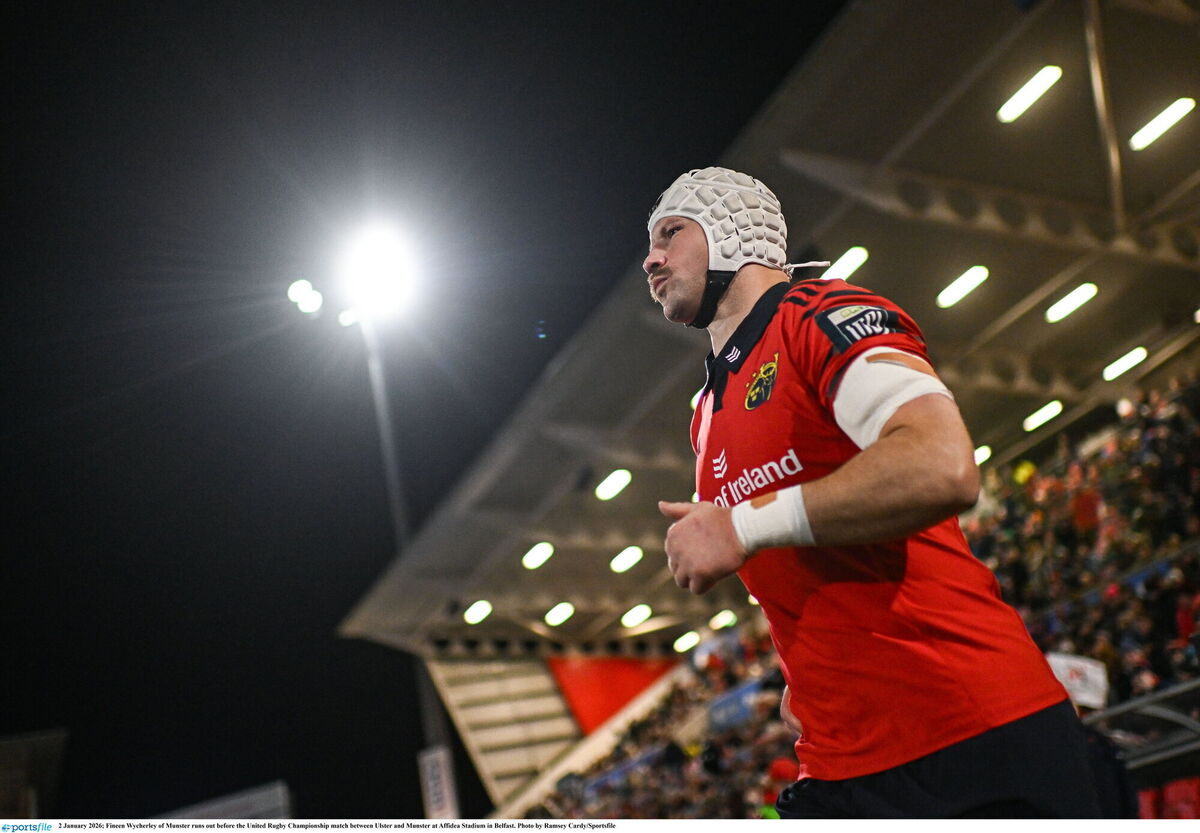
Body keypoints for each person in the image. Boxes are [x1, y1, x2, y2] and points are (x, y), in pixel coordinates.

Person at [645, 167, 1102, 818]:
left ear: (729, 229)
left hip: (970, 736)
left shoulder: (821, 315)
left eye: (670, 232)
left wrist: (742, 526)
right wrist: (811, 675)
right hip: (846, 758)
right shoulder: (706, 410)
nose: (652, 258)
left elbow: (942, 464)